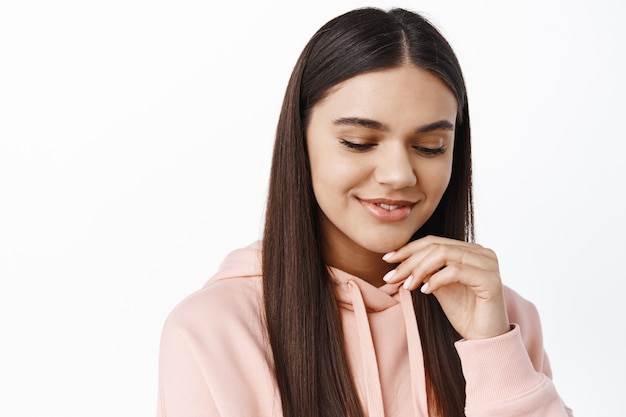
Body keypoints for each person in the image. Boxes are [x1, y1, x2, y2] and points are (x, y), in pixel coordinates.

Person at [156, 7, 573, 417]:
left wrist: (492, 349)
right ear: (299, 141)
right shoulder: (213, 332)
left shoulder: (503, 318)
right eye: (358, 141)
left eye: (430, 147)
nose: (398, 175)